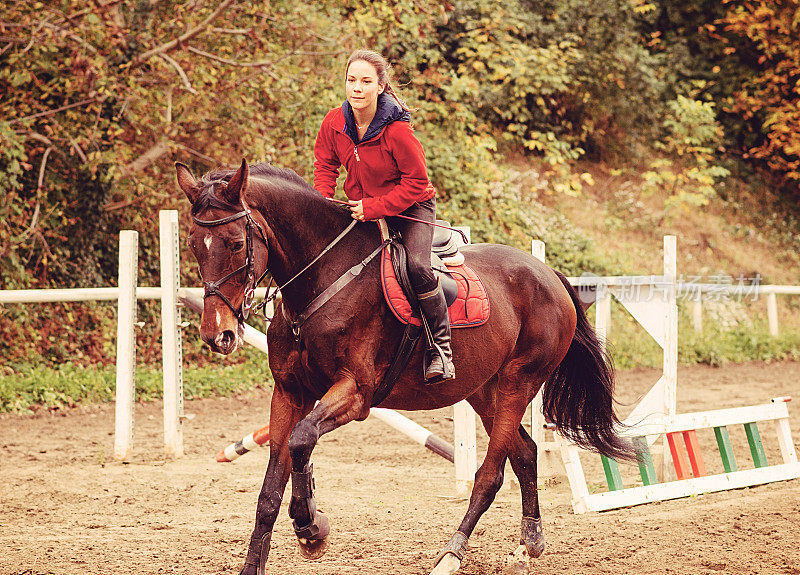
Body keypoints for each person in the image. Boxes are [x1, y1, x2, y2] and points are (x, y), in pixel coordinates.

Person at [313, 49, 454, 382]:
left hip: (411, 209)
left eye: (365, 81)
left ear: (380, 86)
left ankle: (441, 350)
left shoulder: (398, 132)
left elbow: (417, 183)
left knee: (417, 266)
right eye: (351, 80)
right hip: (361, 210)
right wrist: (322, 203)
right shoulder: (334, 122)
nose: (357, 88)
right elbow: (324, 165)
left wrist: (375, 208)